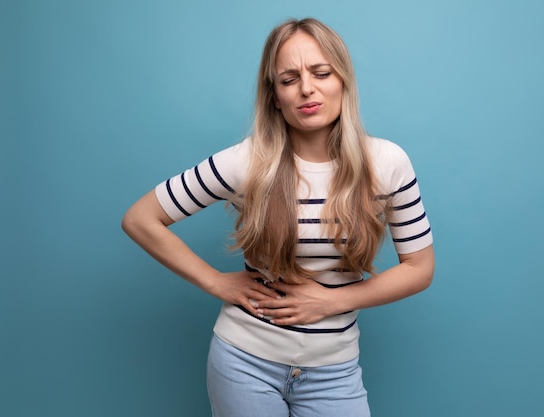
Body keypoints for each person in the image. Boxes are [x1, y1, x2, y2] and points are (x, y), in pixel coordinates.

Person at [122, 17, 434, 417]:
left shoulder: (387, 163)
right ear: (274, 96)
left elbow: (419, 268)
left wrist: (330, 302)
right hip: (243, 363)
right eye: (289, 79)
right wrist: (216, 282)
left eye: (321, 72)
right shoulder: (248, 162)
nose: (307, 88)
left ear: (343, 80)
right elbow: (140, 218)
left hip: (334, 372)